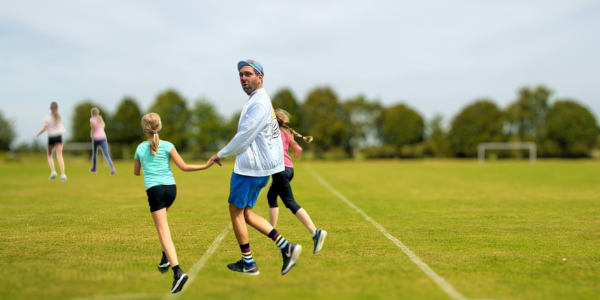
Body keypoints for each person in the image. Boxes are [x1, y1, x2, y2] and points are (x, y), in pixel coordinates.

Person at [210, 59, 302, 276]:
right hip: (260, 169)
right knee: (247, 214)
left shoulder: (259, 103)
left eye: (248, 74)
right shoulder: (260, 100)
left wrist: (220, 154)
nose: (243, 78)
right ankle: (286, 247)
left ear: (260, 77)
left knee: (236, 212)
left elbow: (244, 137)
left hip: (249, 170)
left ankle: (248, 263)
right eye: (241, 74)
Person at [134, 113, 214, 294]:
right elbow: (184, 167)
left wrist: (144, 166)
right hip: (171, 190)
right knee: (162, 225)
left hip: (155, 191)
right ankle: (165, 257)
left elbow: (136, 172)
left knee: (163, 231)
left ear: (144, 129)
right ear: (159, 126)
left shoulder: (140, 148)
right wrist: (206, 165)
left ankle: (177, 271)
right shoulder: (168, 145)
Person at [268, 109, 327, 254]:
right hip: (289, 169)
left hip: (280, 171)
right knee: (271, 196)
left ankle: (315, 232)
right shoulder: (287, 133)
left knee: (289, 202)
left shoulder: (270, 132)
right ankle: (271, 229)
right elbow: (298, 148)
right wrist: (294, 155)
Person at [36, 102, 67, 181]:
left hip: (51, 138)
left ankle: (53, 171)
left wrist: (38, 134)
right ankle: (63, 174)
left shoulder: (47, 117)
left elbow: (45, 128)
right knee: (59, 155)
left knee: (49, 155)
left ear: (50, 108)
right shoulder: (59, 116)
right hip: (59, 137)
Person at [89, 108, 116, 176]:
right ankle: (112, 167)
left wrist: (92, 131)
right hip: (103, 137)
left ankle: (94, 168)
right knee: (106, 154)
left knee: (95, 153)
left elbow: (94, 126)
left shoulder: (92, 119)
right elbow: (103, 126)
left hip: (96, 138)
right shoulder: (100, 118)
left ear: (92, 113)